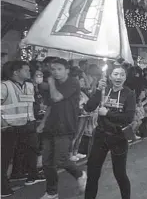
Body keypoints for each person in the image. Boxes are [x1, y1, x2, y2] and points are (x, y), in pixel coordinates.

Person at [83, 63, 136, 199]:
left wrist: (107, 113)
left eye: (122, 75)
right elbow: (88, 107)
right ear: (110, 77)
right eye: (116, 74)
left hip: (118, 137)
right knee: (93, 173)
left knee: (120, 174)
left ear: (125, 78)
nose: (119, 77)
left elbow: (128, 118)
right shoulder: (103, 90)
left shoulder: (129, 94)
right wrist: (97, 91)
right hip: (100, 136)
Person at [38, 58, 87, 199]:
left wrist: (51, 83)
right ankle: (52, 192)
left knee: (61, 159)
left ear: (67, 70)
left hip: (65, 126)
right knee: (47, 163)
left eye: (59, 69)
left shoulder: (72, 82)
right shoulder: (52, 84)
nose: (56, 72)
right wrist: (42, 123)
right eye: (53, 69)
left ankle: (80, 174)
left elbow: (57, 97)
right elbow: (50, 106)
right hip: (50, 127)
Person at [1, 61, 45, 197]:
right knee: (5, 157)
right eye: (26, 70)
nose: (29, 73)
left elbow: (30, 104)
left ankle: (31, 175)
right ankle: (2, 187)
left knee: (32, 150)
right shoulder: (4, 86)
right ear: (16, 72)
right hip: (10, 127)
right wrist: (2, 123)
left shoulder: (30, 86)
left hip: (28, 124)